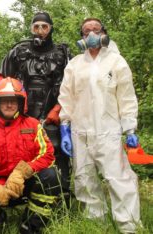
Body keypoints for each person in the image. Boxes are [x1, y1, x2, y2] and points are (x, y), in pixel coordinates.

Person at [58, 18, 141, 233]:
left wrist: (130, 127)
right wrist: (65, 126)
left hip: (109, 131)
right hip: (80, 131)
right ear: (82, 37)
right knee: (84, 179)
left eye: (96, 29)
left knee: (118, 178)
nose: (92, 34)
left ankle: (129, 226)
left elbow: (126, 97)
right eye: (87, 31)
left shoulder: (116, 61)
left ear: (104, 32)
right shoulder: (75, 64)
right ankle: (96, 224)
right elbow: (66, 96)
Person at [0, 78, 61, 234]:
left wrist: (22, 172)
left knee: (51, 176)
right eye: (4, 101)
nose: (9, 105)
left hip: (25, 185)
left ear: (21, 103)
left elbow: (47, 154)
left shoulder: (33, 125)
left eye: (13, 101)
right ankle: (0, 223)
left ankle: (31, 225)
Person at [0, 11, 72, 200]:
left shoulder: (62, 53)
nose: (40, 31)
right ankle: (20, 195)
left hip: (53, 113)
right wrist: (8, 110)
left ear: (51, 29)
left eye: (44, 27)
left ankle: (61, 198)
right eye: (36, 26)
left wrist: (58, 109)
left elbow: (72, 85)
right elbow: (2, 80)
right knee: (23, 153)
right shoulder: (18, 51)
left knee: (56, 155)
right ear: (31, 29)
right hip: (22, 114)